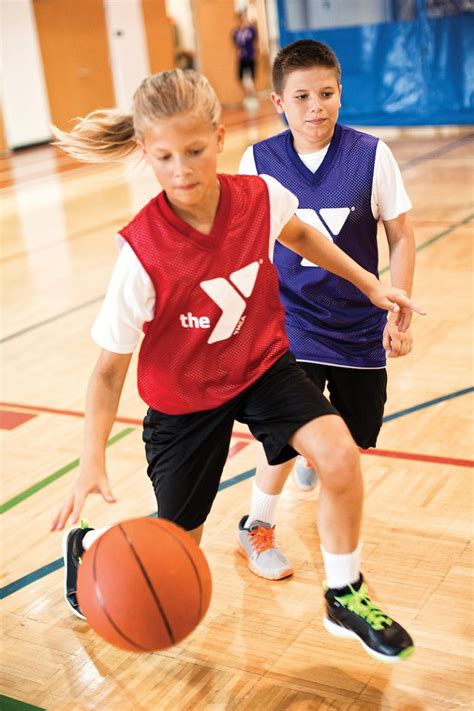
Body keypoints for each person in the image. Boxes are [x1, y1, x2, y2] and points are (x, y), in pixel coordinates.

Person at [50, 69, 423, 663]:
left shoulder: (260, 195)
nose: (183, 171)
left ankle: (344, 593)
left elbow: (301, 234)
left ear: (220, 139)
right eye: (165, 157)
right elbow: (106, 372)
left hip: (259, 364)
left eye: (195, 151)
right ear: (145, 153)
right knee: (177, 547)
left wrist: (370, 283)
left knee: (337, 452)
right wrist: (90, 459)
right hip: (185, 398)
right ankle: (90, 545)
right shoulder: (143, 252)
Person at [237, 39, 417, 596]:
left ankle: (323, 447)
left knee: (357, 433)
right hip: (290, 324)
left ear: (341, 93)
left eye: (327, 93)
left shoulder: (370, 154)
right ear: (278, 102)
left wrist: (398, 302)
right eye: (302, 96)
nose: (316, 106)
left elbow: (401, 234)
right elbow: (245, 246)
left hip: (360, 325)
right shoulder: (259, 161)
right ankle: (257, 526)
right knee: (284, 437)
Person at [232, 12, 258, 108]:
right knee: (242, 79)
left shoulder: (251, 30)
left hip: (250, 57)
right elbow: (236, 46)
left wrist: (255, 53)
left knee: (250, 80)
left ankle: (253, 97)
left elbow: (255, 42)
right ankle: (248, 97)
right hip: (241, 58)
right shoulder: (236, 32)